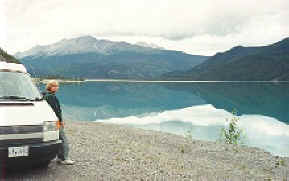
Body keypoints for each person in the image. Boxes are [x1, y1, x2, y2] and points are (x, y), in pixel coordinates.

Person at [43, 80, 75, 165]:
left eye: (57, 86)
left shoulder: (45, 95)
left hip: (48, 121)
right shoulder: (51, 97)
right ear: (50, 87)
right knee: (63, 139)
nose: (56, 87)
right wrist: (60, 121)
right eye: (54, 86)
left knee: (53, 139)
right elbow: (56, 111)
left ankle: (57, 157)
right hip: (55, 121)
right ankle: (64, 158)